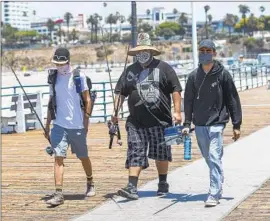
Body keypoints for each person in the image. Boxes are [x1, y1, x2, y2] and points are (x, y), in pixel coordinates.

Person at [112, 33, 183, 200]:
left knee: (161, 153)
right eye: (139, 51)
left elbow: (176, 89)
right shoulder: (129, 70)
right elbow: (121, 93)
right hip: (136, 121)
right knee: (135, 149)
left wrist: (178, 111)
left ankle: (163, 182)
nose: (142, 53)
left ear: (151, 51)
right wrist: (115, 112)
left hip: (161, 120)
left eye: (145, 50)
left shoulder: (164, 68)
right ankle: (132, 187)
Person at [182, 39, 242, 207]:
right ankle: (218, 178)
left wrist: (236, 124)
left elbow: (232, 100)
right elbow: (188, 101)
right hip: (200, 123)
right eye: (202, 50)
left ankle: (214, 192)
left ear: (215, 53)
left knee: (215, 156)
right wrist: (187, 123)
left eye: (209, 50)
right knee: (209, 157)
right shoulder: (193, 76)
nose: (205, 53)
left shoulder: (223, 74)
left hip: (217, 122)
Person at [44, 47, 95, 206]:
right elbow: (51, 102)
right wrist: (47, 125)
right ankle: (58, 193)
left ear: (68, 62)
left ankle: (90, 181)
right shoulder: (53, 78)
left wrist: (85, 122)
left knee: (83, 157)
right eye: (56, 63)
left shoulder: (78, 76)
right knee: (58, 157)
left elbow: (87, 100)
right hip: (59, 124)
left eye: (62, 63)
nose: (59, 66)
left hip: (77, 125)